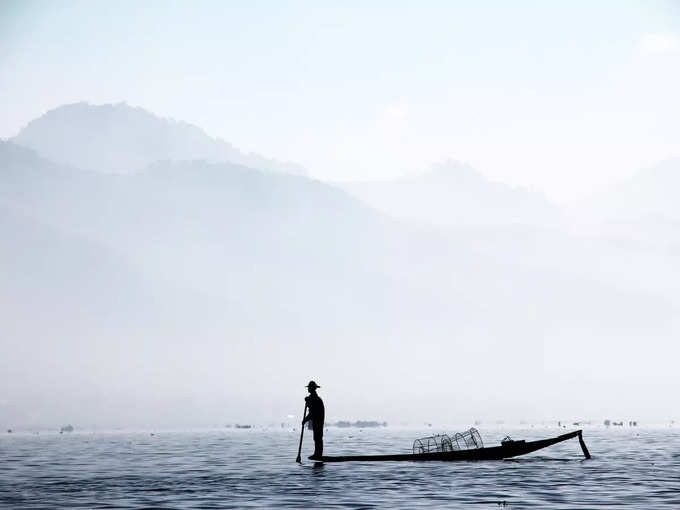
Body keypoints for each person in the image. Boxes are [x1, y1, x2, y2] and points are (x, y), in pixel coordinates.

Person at [302, 380, 325, 460]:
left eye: (309, 388)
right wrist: (308, 401)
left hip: (318, 420)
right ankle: (317, 453)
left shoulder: (316, 399)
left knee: (318, 437)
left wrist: (305, 420)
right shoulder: (312, 398)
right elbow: (311, 408)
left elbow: (312, 412)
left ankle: (318, 454)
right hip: (316, 421)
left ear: (312, 389)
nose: (308, 389)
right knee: (316, 437)